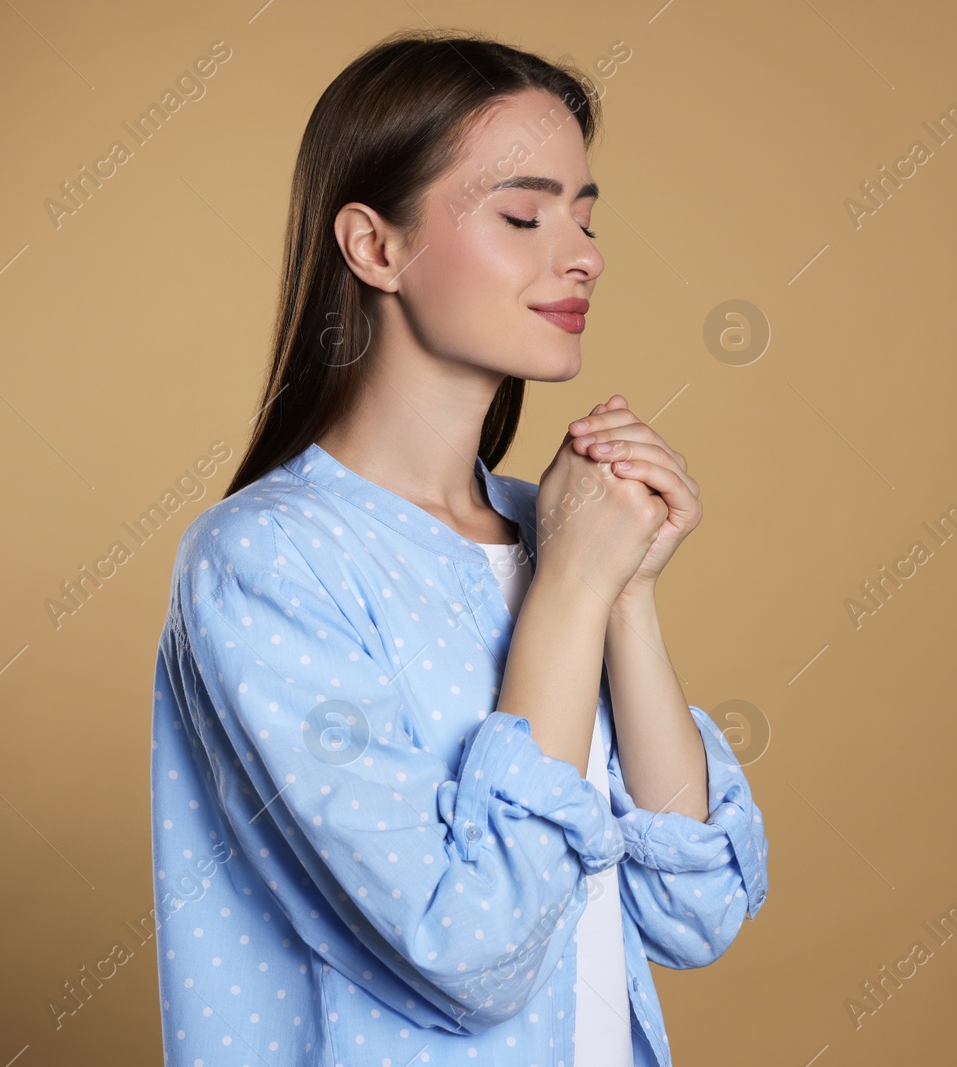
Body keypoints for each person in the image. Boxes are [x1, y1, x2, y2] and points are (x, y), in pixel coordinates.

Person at [149, 28, 769, 1067]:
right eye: (523, 214)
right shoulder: (265, 564)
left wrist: (624, 594)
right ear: (374, 247)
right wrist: (572, 588)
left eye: (582, 215)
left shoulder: (549, 525)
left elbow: (693, 907)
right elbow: (472, 948)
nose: (581, 253)